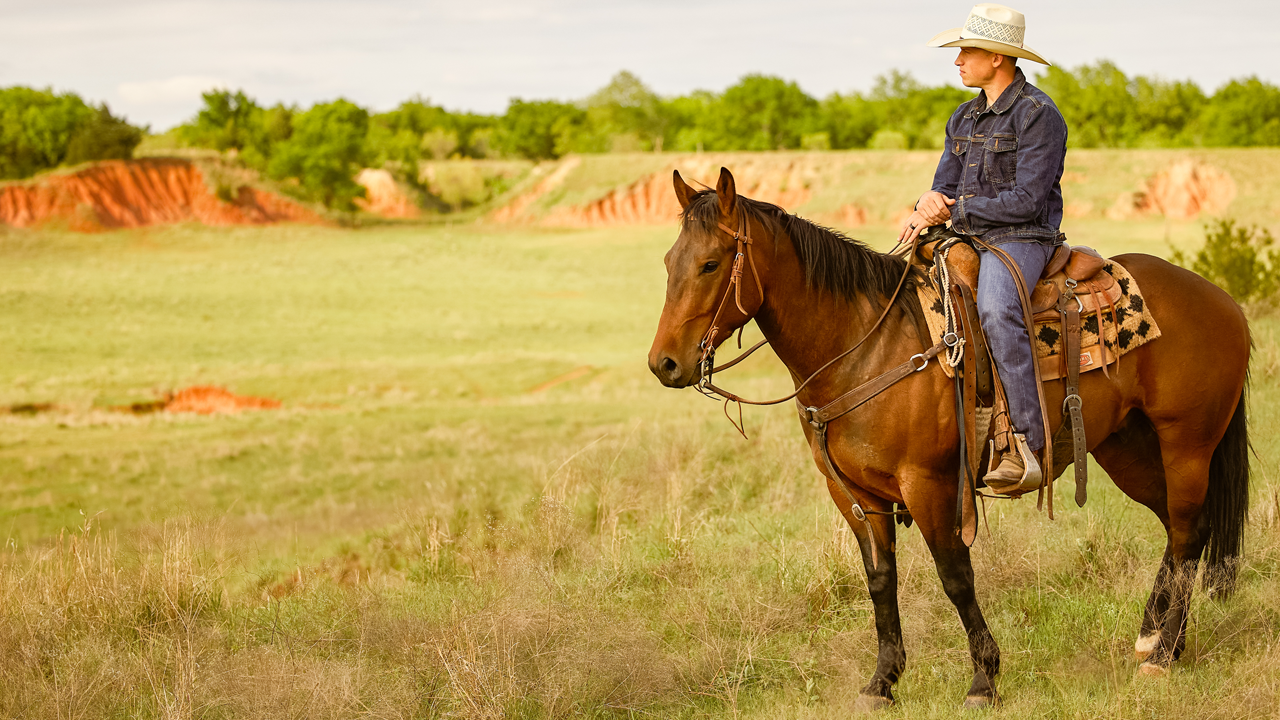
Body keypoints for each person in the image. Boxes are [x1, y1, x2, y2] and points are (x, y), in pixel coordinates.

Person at [897, 3, 1068, 491]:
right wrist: (927, 202)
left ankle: (1027, 443)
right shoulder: (964, 115)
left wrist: (953, 211)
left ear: (998, 58)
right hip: (965, 233)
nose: (957, 61)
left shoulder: (1038, 115)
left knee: (995, 309)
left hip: (1022, 237)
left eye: (966, 52)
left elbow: (1027, 201)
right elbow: (945, 185)